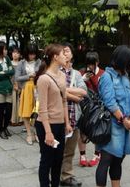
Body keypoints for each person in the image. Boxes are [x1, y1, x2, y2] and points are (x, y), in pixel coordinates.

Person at [96, 45, 130, 187]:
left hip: (124, 126)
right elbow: (110, 103)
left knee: (118, 160)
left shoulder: (125, 77)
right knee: (106, 160)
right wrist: (123, 120)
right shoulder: (107, 77)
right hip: (111, 126)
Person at [34, 43, 72, 187]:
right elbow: (42, 109)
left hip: (60, 124)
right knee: (47, 160)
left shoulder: (62, 75)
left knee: (58, 160)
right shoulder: (44, 79)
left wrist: (67, 123)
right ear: (55, 57)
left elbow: (64, 100)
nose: (66, 56)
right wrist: (48, 132)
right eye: (63, 54)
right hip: (46, 125)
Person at [60, 43, 87, 187]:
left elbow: (83, 92)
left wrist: (66, 93)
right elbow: (56, 92)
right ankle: (54, 174)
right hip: (58, 117)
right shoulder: (55, 72)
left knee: (70, 150)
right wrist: (73, 95)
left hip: (74, 116)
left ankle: (67, 176)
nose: (65, 54)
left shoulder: (76, 74)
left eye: (68, 51)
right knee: (56, 149)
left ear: (72, 55)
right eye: (62, 51)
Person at [78, 51, 104, 167]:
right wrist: (83, 80)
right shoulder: (81, 73)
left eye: (92, 64)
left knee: (97, 131)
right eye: (88, 64)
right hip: (85, 106)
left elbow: (103, 91)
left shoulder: (103, 74)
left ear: (97, 62)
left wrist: (93, 80)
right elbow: (76, 88)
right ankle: (82, 155)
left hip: (98, 107)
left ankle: (97, 154)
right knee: (83, 130)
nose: (90, 67)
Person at [16, 44, 41, 144]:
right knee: (26, 112)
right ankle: (29, 134)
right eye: (30, 54)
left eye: (34, 54)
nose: (32, 56)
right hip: (26, 88)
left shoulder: (39, 62)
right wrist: (29, 75)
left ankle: (37, 133)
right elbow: (17, 77)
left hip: (38, 88)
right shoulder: (21, 63)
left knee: (37, 111)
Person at [11, 46, 23, 126]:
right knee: (13, 103)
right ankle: (13, 120)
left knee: (20, 102)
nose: (15, 54)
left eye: (17, 53)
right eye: (14, 52)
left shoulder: (22, 63)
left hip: (20, 85)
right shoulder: (9, 63)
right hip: (11, 85)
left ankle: (20, 119)